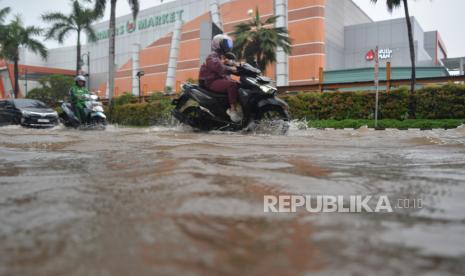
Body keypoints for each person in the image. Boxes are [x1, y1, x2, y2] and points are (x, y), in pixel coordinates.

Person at [199, 34, 243, 122]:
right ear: (218, 44)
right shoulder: (212, 56)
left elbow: (226, 62)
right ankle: (233, 110)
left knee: (239, 85)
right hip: (211, 81)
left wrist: (238, 65)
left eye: (229, 44)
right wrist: (231, 69)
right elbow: (218, 67)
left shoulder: (220, 56)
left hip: (219, 79)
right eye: (226, 43)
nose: (227, 46)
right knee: (232, 85)